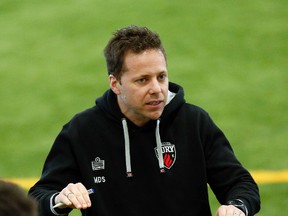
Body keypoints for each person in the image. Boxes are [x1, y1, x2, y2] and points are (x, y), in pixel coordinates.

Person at [28, 25, 260, 216]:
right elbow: (36, 200)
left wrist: (238, 208)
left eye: (161, 77)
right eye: (142, 80)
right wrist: (59, 199)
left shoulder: (194, 122)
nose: (157, 89)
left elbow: (241, 184)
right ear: (115, 83)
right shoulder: (82, 131)